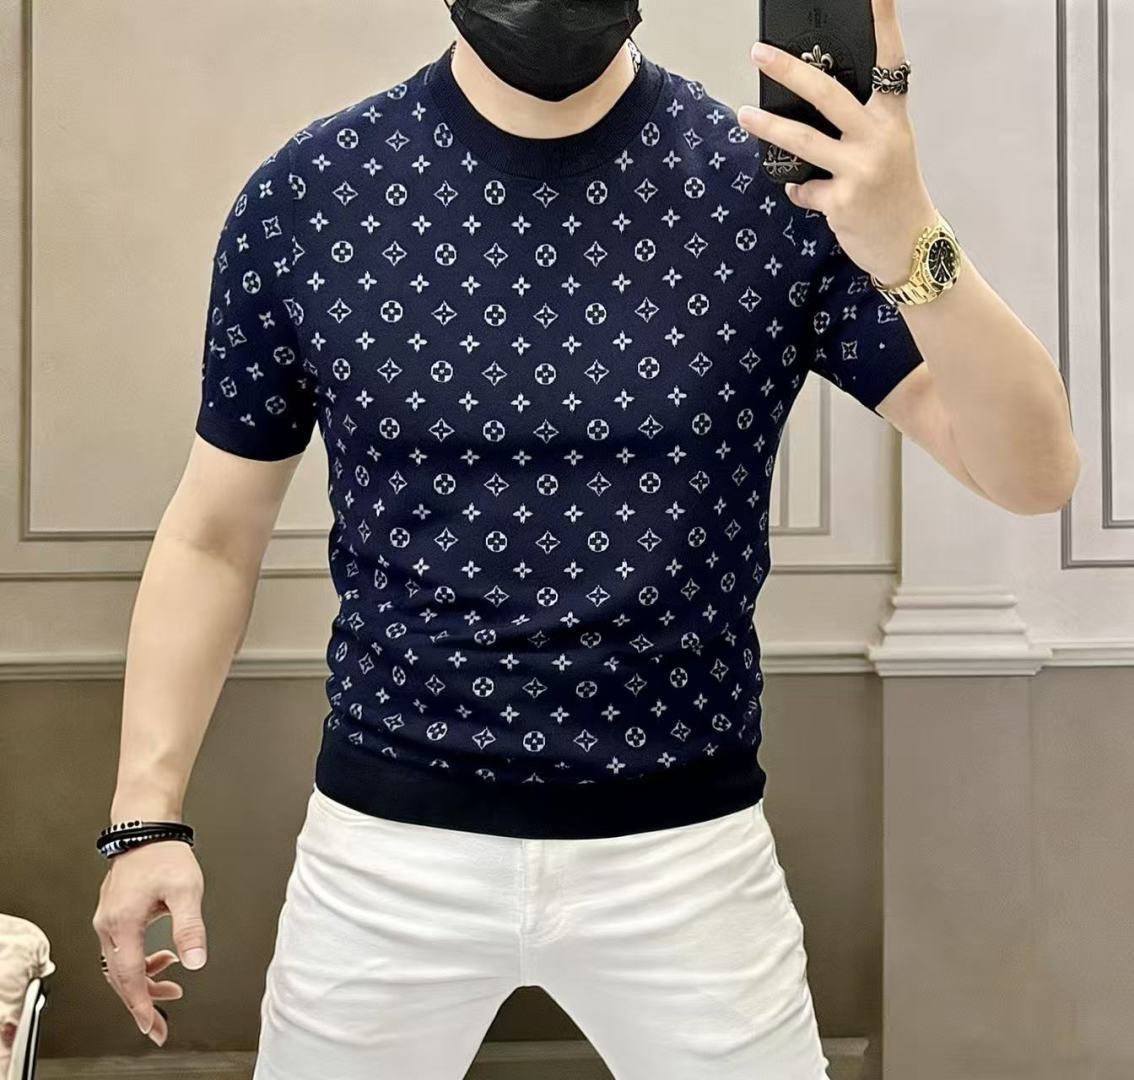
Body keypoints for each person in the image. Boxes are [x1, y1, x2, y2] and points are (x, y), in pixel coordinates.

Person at [91, 1, 1080, 1077]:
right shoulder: (310, 197)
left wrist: (914, 239)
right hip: (386, 853)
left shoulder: (773, 192)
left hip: (687, 859)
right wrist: (146, 817)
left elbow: (1032, 474)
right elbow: (213, 533)